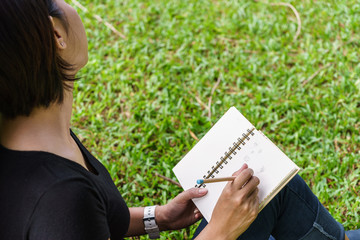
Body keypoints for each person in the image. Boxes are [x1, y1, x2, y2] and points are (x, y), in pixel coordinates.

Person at [0, 0, 358, 239]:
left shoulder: (34, 135)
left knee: (269, 186)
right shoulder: (60, 198)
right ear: (57, 35)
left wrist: (158, 217)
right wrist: (219, 230)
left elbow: (93, 221)